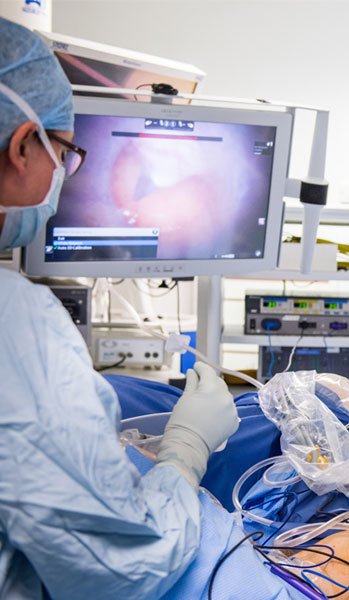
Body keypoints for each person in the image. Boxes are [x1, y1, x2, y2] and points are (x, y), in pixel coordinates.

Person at [0, 18, 241, 599]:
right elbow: (123, 565)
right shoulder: (17, 325)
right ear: (21, 145)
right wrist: (183, 454)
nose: (64, 172)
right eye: (65, 153)